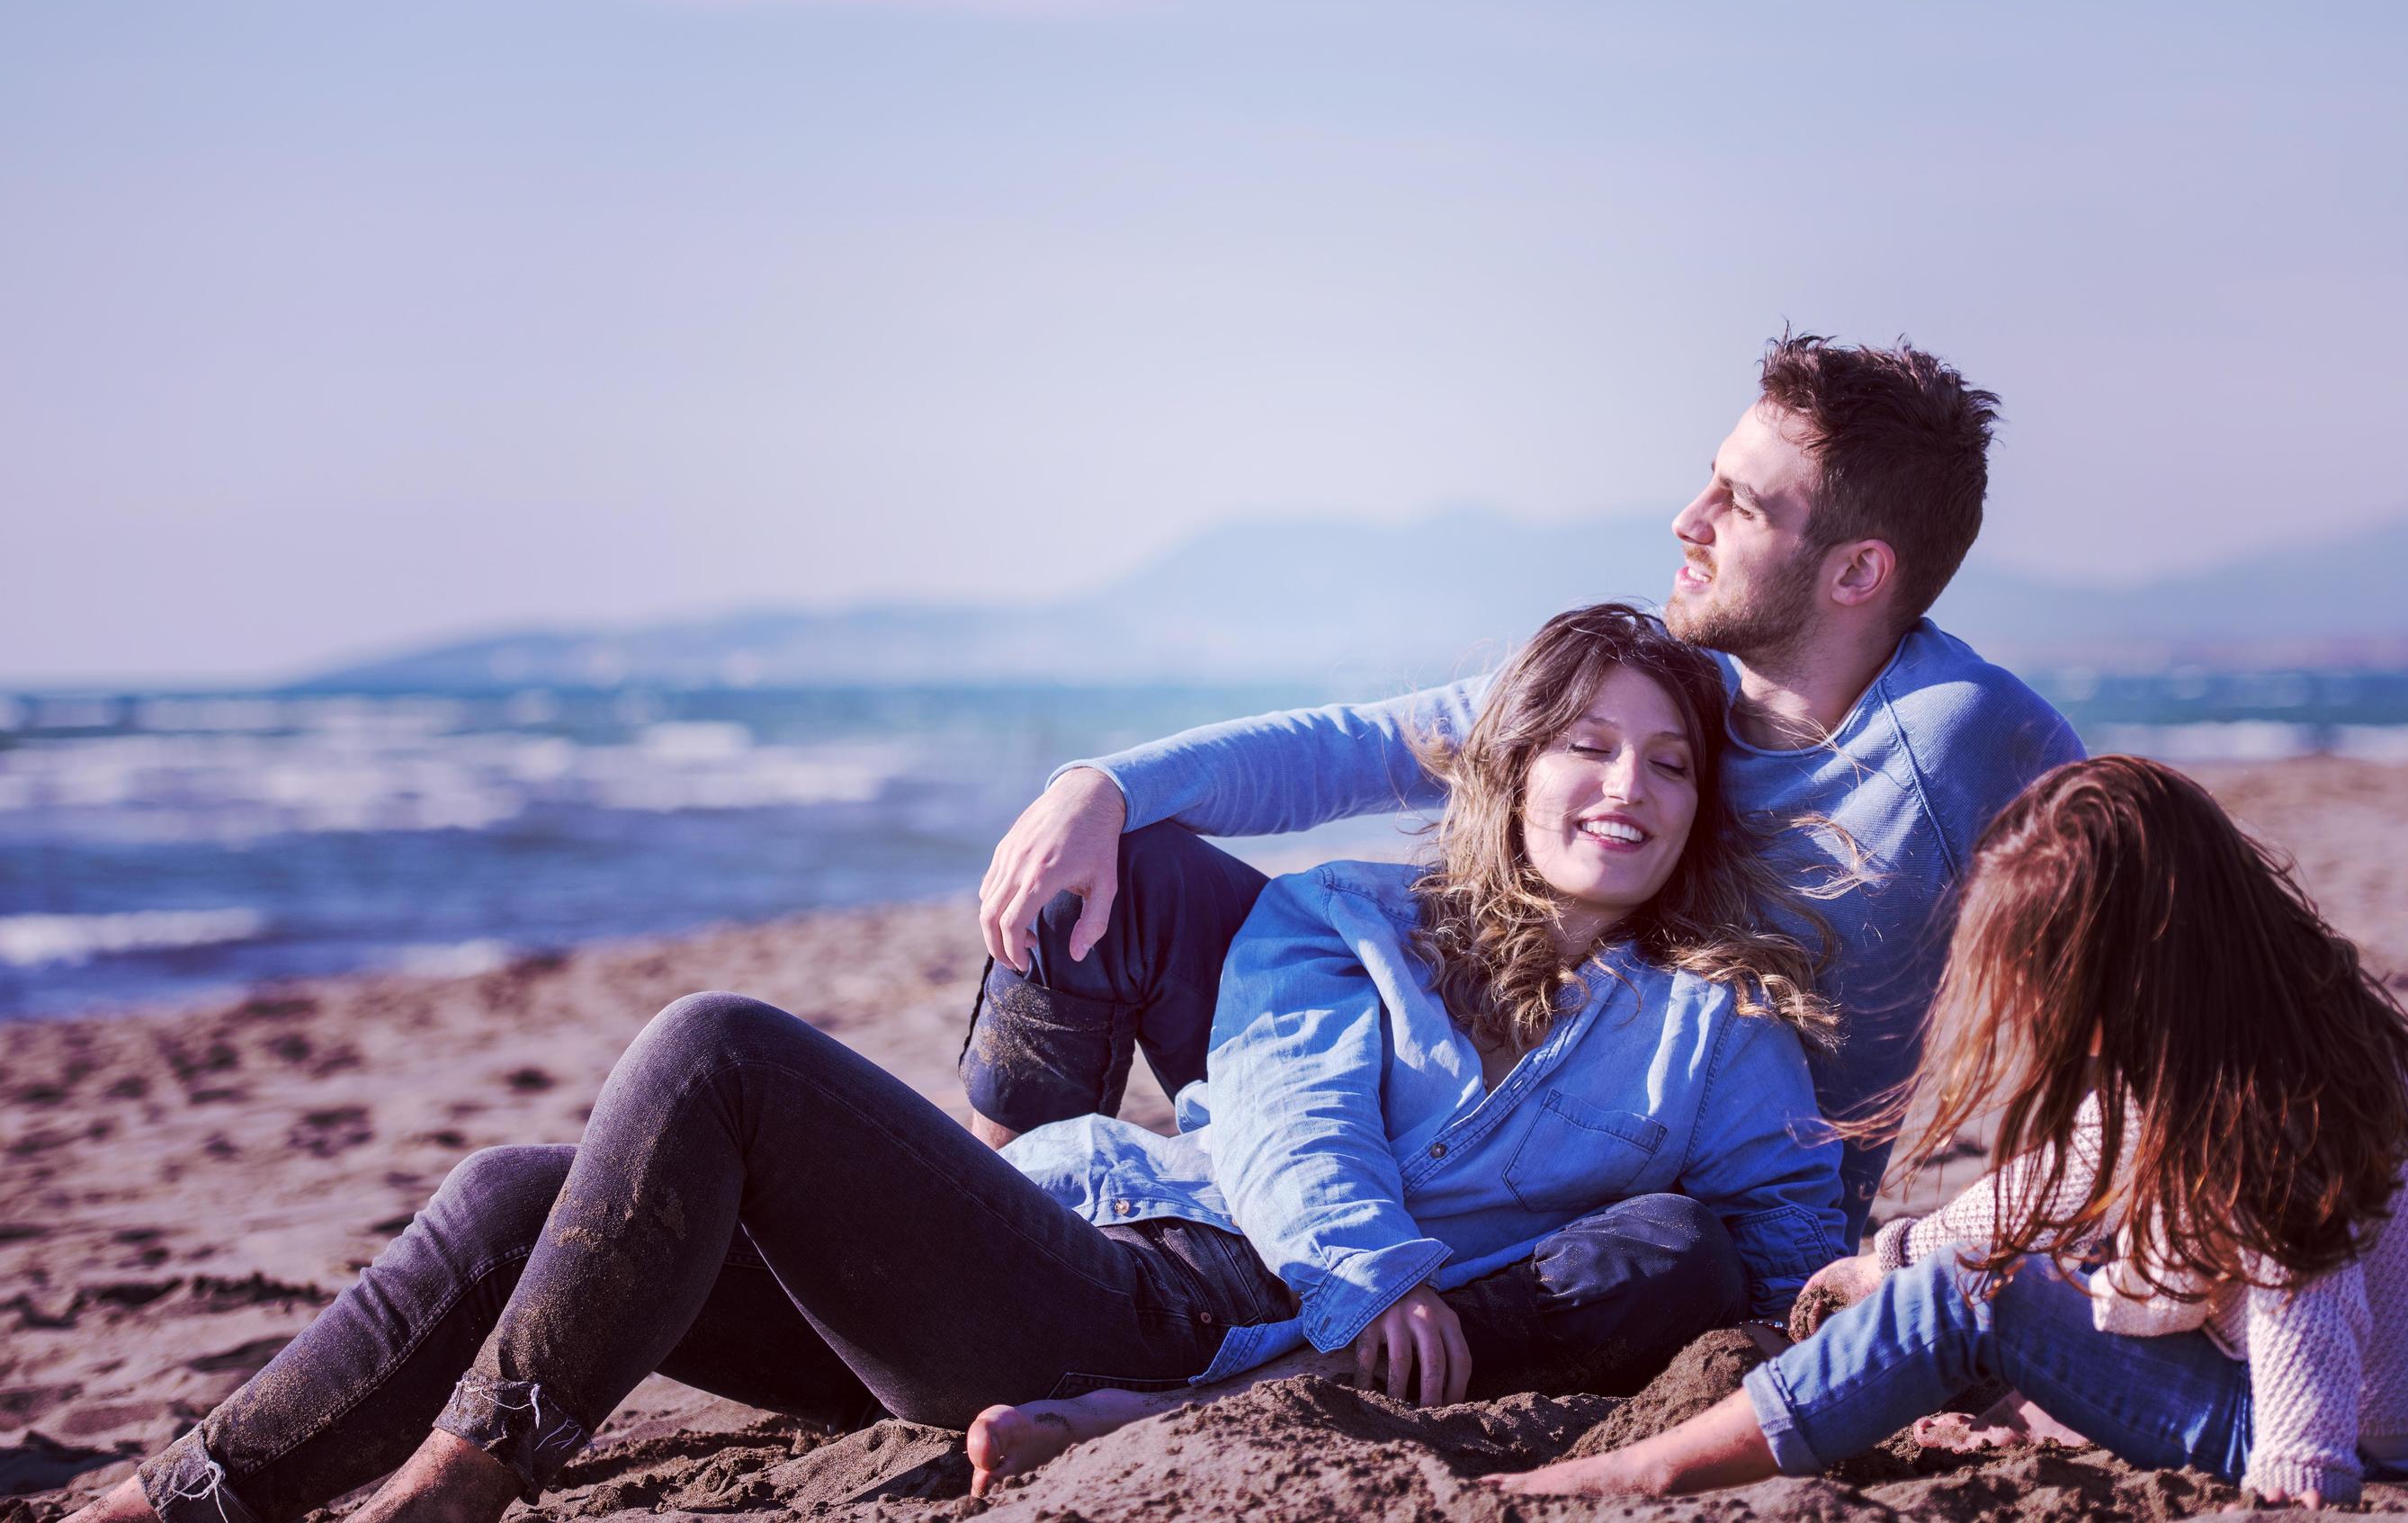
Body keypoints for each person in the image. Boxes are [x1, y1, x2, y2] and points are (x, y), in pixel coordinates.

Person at [72, 605, 1844, 1523]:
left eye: (1666, 766)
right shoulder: (1346, 921)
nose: (1623, 789)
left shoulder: (1718, 1025)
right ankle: (196, 1487)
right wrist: (1370, 1263)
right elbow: (1297, 1118)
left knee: (718, 1048)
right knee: (512, 1192)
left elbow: (1774, 1231)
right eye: (1586, 750)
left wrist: (1877, 1308)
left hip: (1180, 1318)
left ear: (1699, 808)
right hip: (1080, 1264)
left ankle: (463, 1478)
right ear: (1509, 770)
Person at [966, 334, 2083, 1239]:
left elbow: (2155, 977)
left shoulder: (1963, 739)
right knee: (1118, 869)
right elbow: (1352, 747)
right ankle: (992, 1224)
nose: (1685, 520)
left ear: (1855, 571)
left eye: (1737, 503)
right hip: (1452, 1088)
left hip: (1642, 1195)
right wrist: (1103, 784)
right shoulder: (1661, 684)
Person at [1493, 756, 2408, 1510]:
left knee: (1980, 1297)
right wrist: (1890, 1254)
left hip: (2325, 1426)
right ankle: (1948, 1383)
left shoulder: (2264, 1116)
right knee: (1999, 1261)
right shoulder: (2270, 1020)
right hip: (2386, 1399)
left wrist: (2293, 1480)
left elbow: (2303, 1314)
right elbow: (2072, 1168)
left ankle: (1652, 1467)